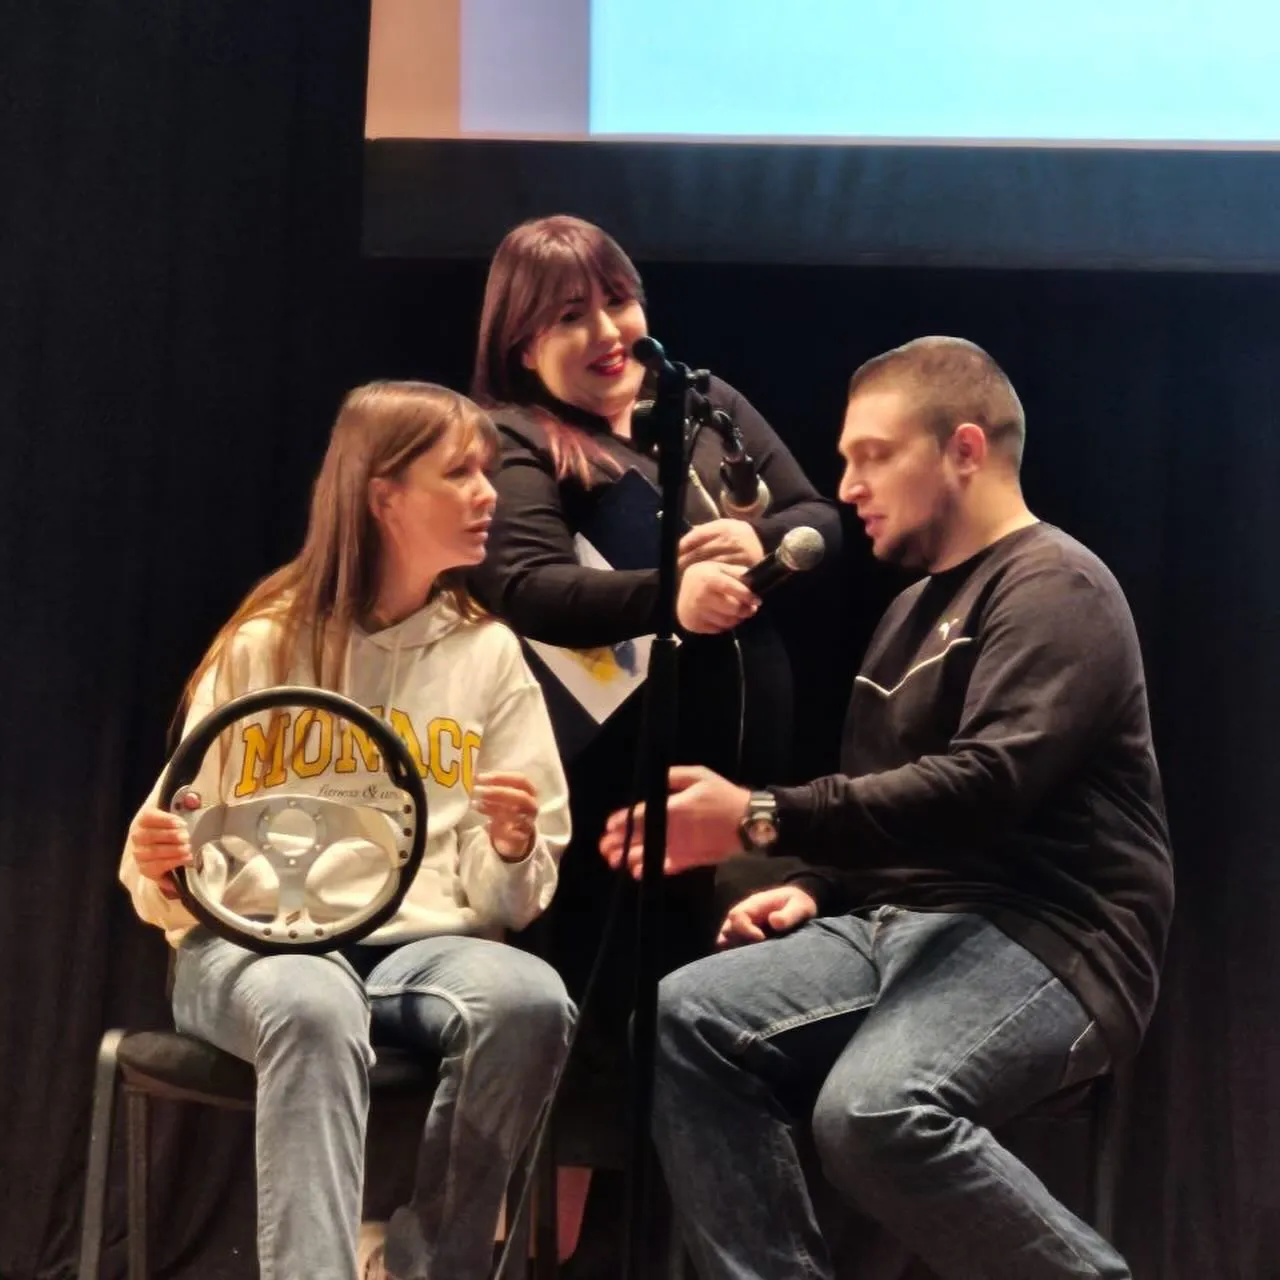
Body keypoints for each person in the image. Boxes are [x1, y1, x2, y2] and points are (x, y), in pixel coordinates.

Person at [601, 337, 1175, 1280]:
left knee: (872, 1110)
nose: (846, 487)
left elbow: (984, 788)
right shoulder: (909, 612)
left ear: (963, 449)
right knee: (681, 1019)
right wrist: (815, 888)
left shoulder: (1056, 585)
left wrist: (758, 818)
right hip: (901, 926)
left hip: (1051, 933)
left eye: (872, 455)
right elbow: (891, 811)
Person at [119, 382, 574, 1280]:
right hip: (254, 947)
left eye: (487, 472)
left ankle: (426, 1268)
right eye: (461, 473)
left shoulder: (487, 655)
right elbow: (167, 855)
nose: (489, 493)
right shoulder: (265, 644)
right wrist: (161, 867)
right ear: (383, 495)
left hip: (418, 952)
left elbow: (508, 903)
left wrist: (513, 848)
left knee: (528, 1002)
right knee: (313, 1001)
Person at [467, 214, 841, 1266]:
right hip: (607, 803)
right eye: (569, 315)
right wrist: (667, 592)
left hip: (732, 807)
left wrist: (760, 541)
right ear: (520, 342)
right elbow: (526, 583)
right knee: (585, 1066)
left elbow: (820, 519)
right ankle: (534, 1264)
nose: (606, 330)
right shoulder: (510, 436)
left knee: (720, 1062)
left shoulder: (704, 402)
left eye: (616, 301)